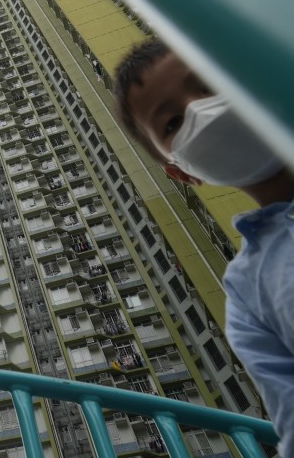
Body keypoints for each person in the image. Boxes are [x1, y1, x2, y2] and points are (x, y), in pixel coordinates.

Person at [114, 39, 294, 456]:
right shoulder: (249, 291)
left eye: (209, 84)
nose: (200, 110)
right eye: (173, 122)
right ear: (179, 171)